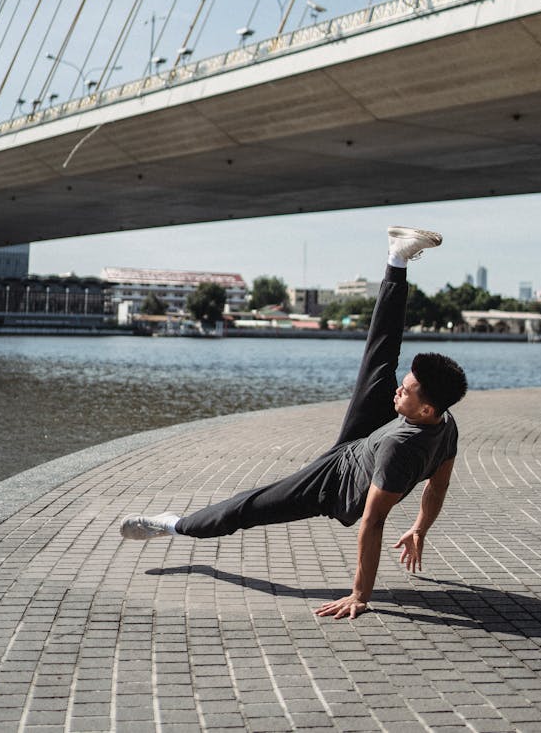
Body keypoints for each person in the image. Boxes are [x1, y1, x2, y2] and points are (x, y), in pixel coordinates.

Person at [120, 225, 467, 619]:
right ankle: (397, 257)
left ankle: (174, 525)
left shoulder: (401, 450)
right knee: (382, 350)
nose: (399, 390)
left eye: (407, 390)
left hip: (333, 481)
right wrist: (416, 534)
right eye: (402, 385)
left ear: (426, 411)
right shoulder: (443, 420)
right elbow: (435, 486)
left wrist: (360, 594)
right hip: (367, 435)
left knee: (247, 509)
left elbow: (373, 521)